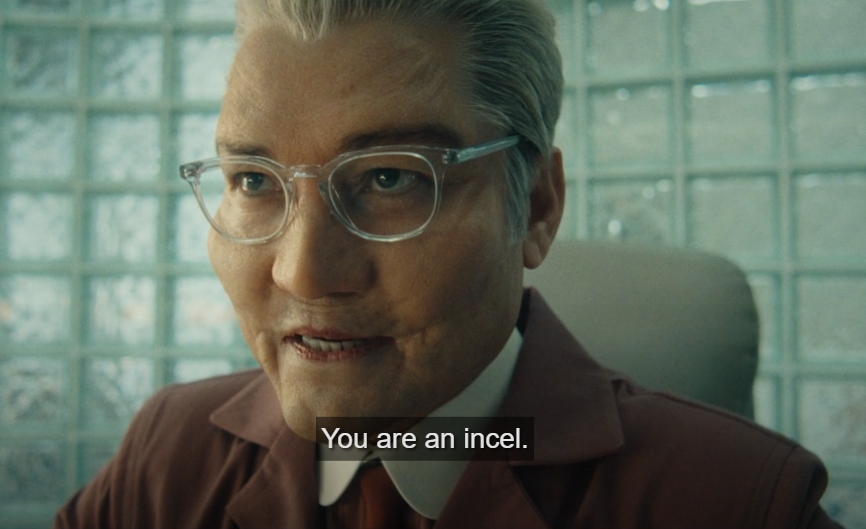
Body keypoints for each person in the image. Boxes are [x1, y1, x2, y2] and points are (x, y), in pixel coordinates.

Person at [55, 0, 843, 528]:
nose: (301, 273)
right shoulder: (167, 457)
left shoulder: (739, 501)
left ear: (536, 207)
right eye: (254, 182)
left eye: (390, 179)